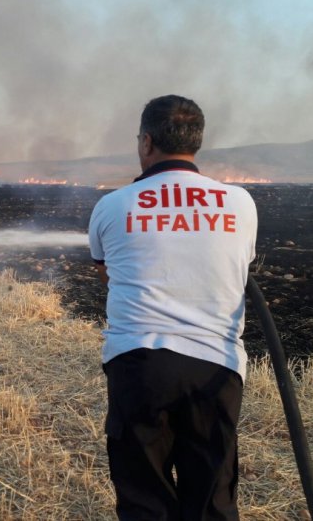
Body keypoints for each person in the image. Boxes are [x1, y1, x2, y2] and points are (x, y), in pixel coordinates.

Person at [88, 95, 258, 520]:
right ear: (196, 142)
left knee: (145, 500)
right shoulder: (240, 203)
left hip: (139, 366)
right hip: (215, 371)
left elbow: (108, 275)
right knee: (213, 502)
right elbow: (235, 268)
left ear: (146, 143)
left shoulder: (113, 204)